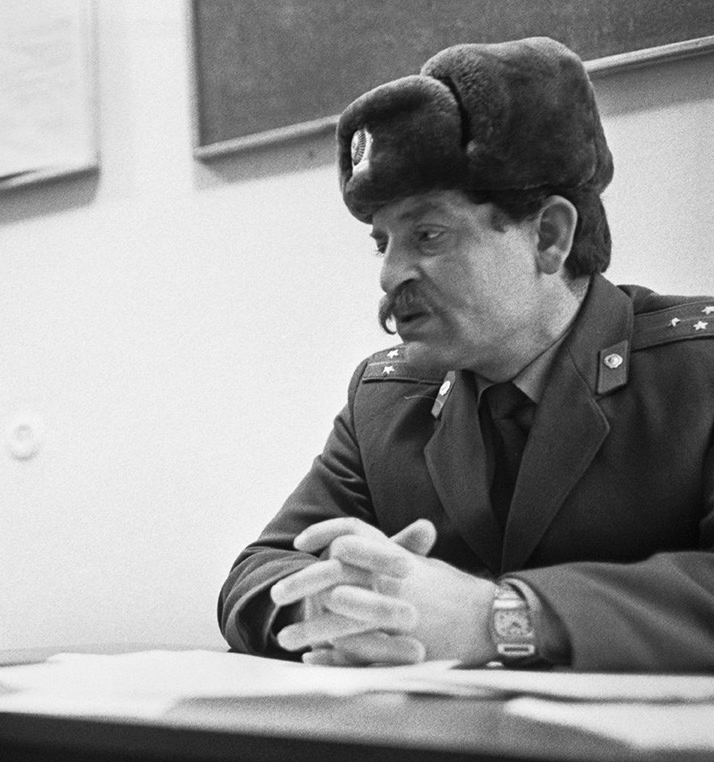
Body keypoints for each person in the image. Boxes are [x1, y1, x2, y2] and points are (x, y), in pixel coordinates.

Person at [219, 37, 714, 672]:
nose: (391, 274)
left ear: (550, 236)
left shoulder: (697, 370)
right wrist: (330, 608)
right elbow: (257, 571)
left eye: (428, 234)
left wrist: (499, 618)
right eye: (383, 244)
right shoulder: (386, 400)